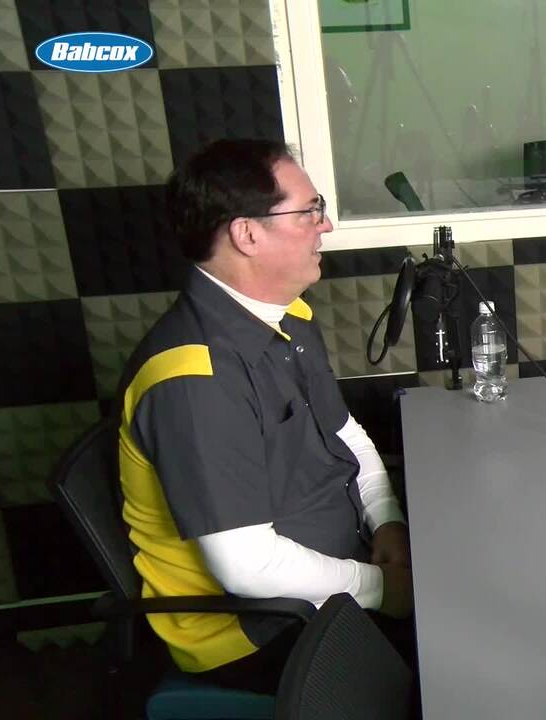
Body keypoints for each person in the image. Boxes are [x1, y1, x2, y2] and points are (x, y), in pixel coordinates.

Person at [115, 138, 415, 694]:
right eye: (310, 211)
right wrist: (382, 588)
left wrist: (387, 521)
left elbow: (343, 432)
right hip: (260, 628)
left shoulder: (287, 314)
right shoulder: (193, 381)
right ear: (247, 235)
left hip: (344, 567)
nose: (325, 226)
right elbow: (247, 567)